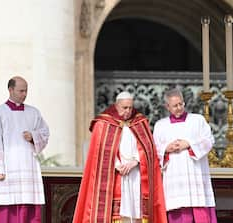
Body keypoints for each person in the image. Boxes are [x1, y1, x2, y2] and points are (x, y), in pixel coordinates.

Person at [73, 91, 167, 223]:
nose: (128, 111)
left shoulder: (140, 121)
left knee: (136, 213)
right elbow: (100, 151)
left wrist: (136, 161)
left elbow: (149, 149)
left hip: (136, 174)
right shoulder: (103, 123)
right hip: (116, 175)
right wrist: (117, 164)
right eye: (125, 108)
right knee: (118, 214)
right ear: (117, 105)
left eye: (130, 107)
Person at [0, 76, 50, 223]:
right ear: (10, 90)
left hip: (28, 167)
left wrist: (33, 136)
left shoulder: (34, 112)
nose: (24, 94)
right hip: (7, 168)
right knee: (6, 205)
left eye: (26, 91)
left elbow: (44, 133)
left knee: (28, 202)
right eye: (21, 91)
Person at [153, 88, 217, 223]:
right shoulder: (160, 125)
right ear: (167, 107)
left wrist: (188, 144)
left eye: (181, 104)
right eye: (175, 106)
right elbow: (154, 150)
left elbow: (208, 140)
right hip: (174, 181)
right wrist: (167, 148)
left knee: (200, 213)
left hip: (196, 178)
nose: (179, 108)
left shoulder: (197, 120)